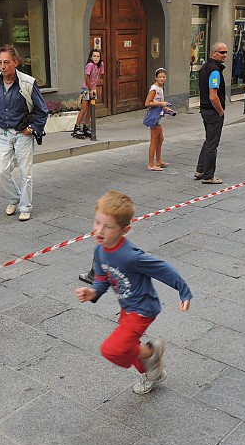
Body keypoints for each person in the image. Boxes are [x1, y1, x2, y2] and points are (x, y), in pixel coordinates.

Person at [75, 190, 192, 395]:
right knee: (128, 346)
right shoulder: (100, 250)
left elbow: (164, 269)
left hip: (143, 309)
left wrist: (184, 291)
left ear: (124, 230)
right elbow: (103, 278)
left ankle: (151, 352)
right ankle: (152, 373)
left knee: (112, 350)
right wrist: (93, 292)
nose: (99, 230)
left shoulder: (130, 256)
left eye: (108, 226)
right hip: (127, 308)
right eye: (97, 222)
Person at [0, 45, 48, 221]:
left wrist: (33, 128)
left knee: (25, 172)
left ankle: (25, 207)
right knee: (2, 170)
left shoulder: (28, 83)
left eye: (7, 62)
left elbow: (42, 110)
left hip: (23, 133)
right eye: (0, 62)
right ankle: (14, 199)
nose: (3, 66)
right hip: (4, 133)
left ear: (16, 63)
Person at [195, 42, 227, 185]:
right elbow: (213, 96)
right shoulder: (214, 71)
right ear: (214, 53)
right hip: (212, 111)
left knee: (208, 140)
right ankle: (208, 176)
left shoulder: (205, 67)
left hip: (205, 110)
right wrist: (220, 111)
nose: (224, 55)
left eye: (226, 52)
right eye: (221, 52)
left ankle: (200, 170)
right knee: (212, 144)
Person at [144, 68, 175, 171]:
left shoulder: (160, 87)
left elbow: (158, 102)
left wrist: (166, 108)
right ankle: (150, 164)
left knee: (160, 139)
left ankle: (158, 161)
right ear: (156, 78)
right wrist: (161, 104)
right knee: (154, 141)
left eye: (164, 77)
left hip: (158, 115)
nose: (162, 79)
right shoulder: (154, 89)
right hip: (154, 117)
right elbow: (147, 103)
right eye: (160, 77)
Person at [73, 49, 104, 138]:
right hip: (86, 89)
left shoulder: (101, 65)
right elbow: (86, 78)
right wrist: (91, 89)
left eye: (98, 56)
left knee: (91, 110)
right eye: (94, 56)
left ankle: (86, 126)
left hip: (93, 89)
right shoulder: (89, 65)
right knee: (84, 109)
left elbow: (98, 77)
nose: (96, 58)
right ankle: (77, 127)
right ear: (91, 57)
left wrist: (95, 88)